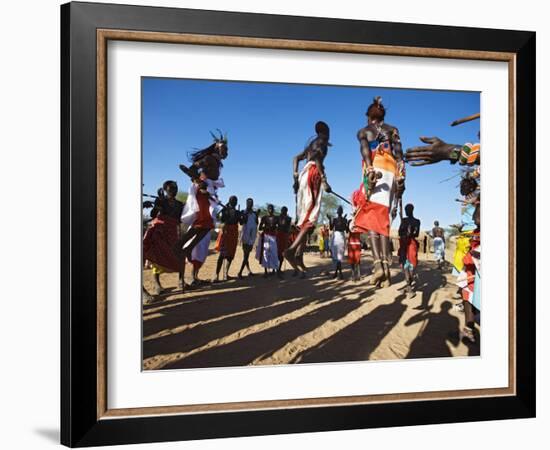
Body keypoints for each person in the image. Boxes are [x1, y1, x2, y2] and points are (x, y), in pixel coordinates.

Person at [405, 133, 481, 342]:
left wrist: (451, 151)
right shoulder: (472, 198)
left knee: (468, 277)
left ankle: (469, 326)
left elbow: (477, 218)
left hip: (470, 240)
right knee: (468, 276)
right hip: (468, 238)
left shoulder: (468, 203)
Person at [352, 97, 406, 288]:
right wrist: (401, 176)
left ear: (368, 117)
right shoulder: (393, 130)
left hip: (376, 169)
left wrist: (369, 169)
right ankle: (387, 273)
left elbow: (365, 150)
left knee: (372, 219)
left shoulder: (364, 131)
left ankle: (378, 267)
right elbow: (399, 154)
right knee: (383, 221)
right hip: (392, 172)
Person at [177, 131, 228, 292]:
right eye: (223, 149)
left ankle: (190, 264)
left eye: (226, 150)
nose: (226, 152)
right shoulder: (208, 159)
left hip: (210, 192)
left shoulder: (217, 163)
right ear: (216, 148)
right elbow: (189, 170)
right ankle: (179, 249)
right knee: (202, 224)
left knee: (206, 231)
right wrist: (200, 184)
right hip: (202, 193)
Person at [284, 121, 333, 277]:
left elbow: (295, 159)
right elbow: (318, 158)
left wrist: (295, 177)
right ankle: (291, 252)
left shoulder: (310, 144)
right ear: (325, 132)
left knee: (306, 221)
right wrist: (324, 180)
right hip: (313, 175)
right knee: (311, 218)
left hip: (304, 174)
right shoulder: (322, 142)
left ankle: (299, 257)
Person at [142, 181, 185, 303]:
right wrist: (158, 204)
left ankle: (181, 281)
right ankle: (157, 284)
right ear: (165, 190)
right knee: (158, 256)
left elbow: (181, 218)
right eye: (171, 189)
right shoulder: (161, 201)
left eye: (175, 189)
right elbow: (153, 214)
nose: (173, 191)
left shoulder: (179, 204)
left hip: (172, 232)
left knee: (178, 255)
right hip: (160, 232)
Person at [213, 195, 241, 282]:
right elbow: (220, 219)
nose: (234, 202)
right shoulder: (224, 209)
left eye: (235, 201)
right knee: (222, 254)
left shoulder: (237, 212)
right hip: (226, 232)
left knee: (231, 254)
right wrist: (224, 212)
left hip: (234, 233)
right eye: (232, 200)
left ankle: (226, 274)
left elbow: (242, 222)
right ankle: (216, 275)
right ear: (229, 201)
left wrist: (243, 216)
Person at [398, 204, 421, 298]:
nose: (407, 211)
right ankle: (408, 286)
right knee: (405, 264)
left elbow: (417, 234)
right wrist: (404, 230)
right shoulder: (403, 220)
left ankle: (409, 283)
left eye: (408, 209)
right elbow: (399, 232)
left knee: (412, 264)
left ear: (412, 210)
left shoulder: (417, 221)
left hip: (411, 243)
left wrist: (411, 231)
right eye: (406, 209)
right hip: (404, 243)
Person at [256, 204, 280, 277]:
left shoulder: (276, 218)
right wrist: (265, 227)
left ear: (273, 210)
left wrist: (275, 228)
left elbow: (279, 227)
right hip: (266, 236)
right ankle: (265, 271)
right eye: (269, 209)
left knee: (274, 253)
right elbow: (260, 228)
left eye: (272, 209)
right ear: (267, 210)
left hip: (273, 237)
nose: (270, 210)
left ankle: (273, 270)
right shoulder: (264, 218)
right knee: (265, 253)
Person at [237, 198, 258, 279]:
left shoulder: (254, 213)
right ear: (246, 203)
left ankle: (248, 271)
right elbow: (241, 223)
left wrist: (256, 216)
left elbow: (257, 223)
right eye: (248, 203)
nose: (250, 204)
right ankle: (240, 272)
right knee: (246, 254)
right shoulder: (243, 212)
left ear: (252, 204)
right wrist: (244, 216)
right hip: (245, 235)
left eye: (251, 203)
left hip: (252, 236)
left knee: (246, 255)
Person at [329, 206, 348, 279]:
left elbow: (346, 230)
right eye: (339, 210)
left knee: (339, 256)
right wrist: (329, 220)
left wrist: (346, 223)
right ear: (338, 212)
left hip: (341, 237)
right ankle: (338, 273)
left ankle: (338, 273)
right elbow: (331, 228)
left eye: (340, 210)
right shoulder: (335, 219)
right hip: (336, 236)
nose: (339, 211)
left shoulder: (344, 220)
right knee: (336, 256)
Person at [276, 206, 292, 274]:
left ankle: (279, 268)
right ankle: (275, 268)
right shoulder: (277, 218)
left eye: (284, 211)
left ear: (286, 211)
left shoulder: (288, 219)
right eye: (282, 210)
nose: (283, 212)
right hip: (278, 235)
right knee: (276, 252)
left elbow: (288, 228)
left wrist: (287, 235)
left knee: (282, 253)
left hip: (284, 236)